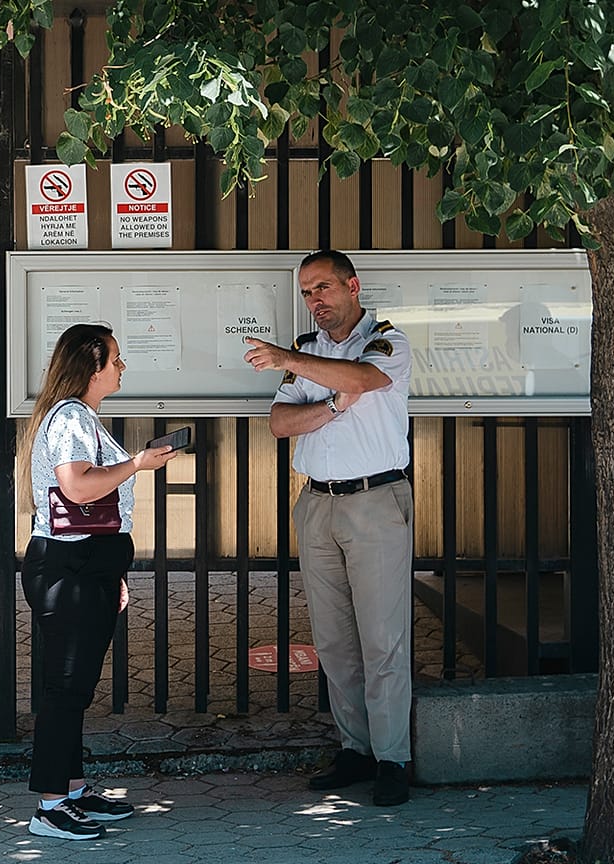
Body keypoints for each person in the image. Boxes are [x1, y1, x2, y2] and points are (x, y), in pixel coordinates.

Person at [243, 249, 415, 807]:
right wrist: (333, 409)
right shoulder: (306, 353)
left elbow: (363, 378)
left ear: (353, 286)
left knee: (382, 638)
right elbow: (279, 422)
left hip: (375, 502)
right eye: (306, 293)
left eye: (323, 288)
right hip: (318, 503)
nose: (315, 301)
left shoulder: (386, 342)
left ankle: (393, 758)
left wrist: (292, 364)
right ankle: (355, 749)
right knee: (335, 641)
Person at [16, 323, 180, 839]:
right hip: (70, 567)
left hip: (88, 567)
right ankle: (49, 806)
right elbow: (78, 487)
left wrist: (113, 573)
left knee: (76, 686)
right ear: (91, 368)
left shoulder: (79, 414)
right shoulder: (70, 417)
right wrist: (139, 463)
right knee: (65, 688)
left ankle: (72, 789)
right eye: (115, 358)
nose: (122, 366)